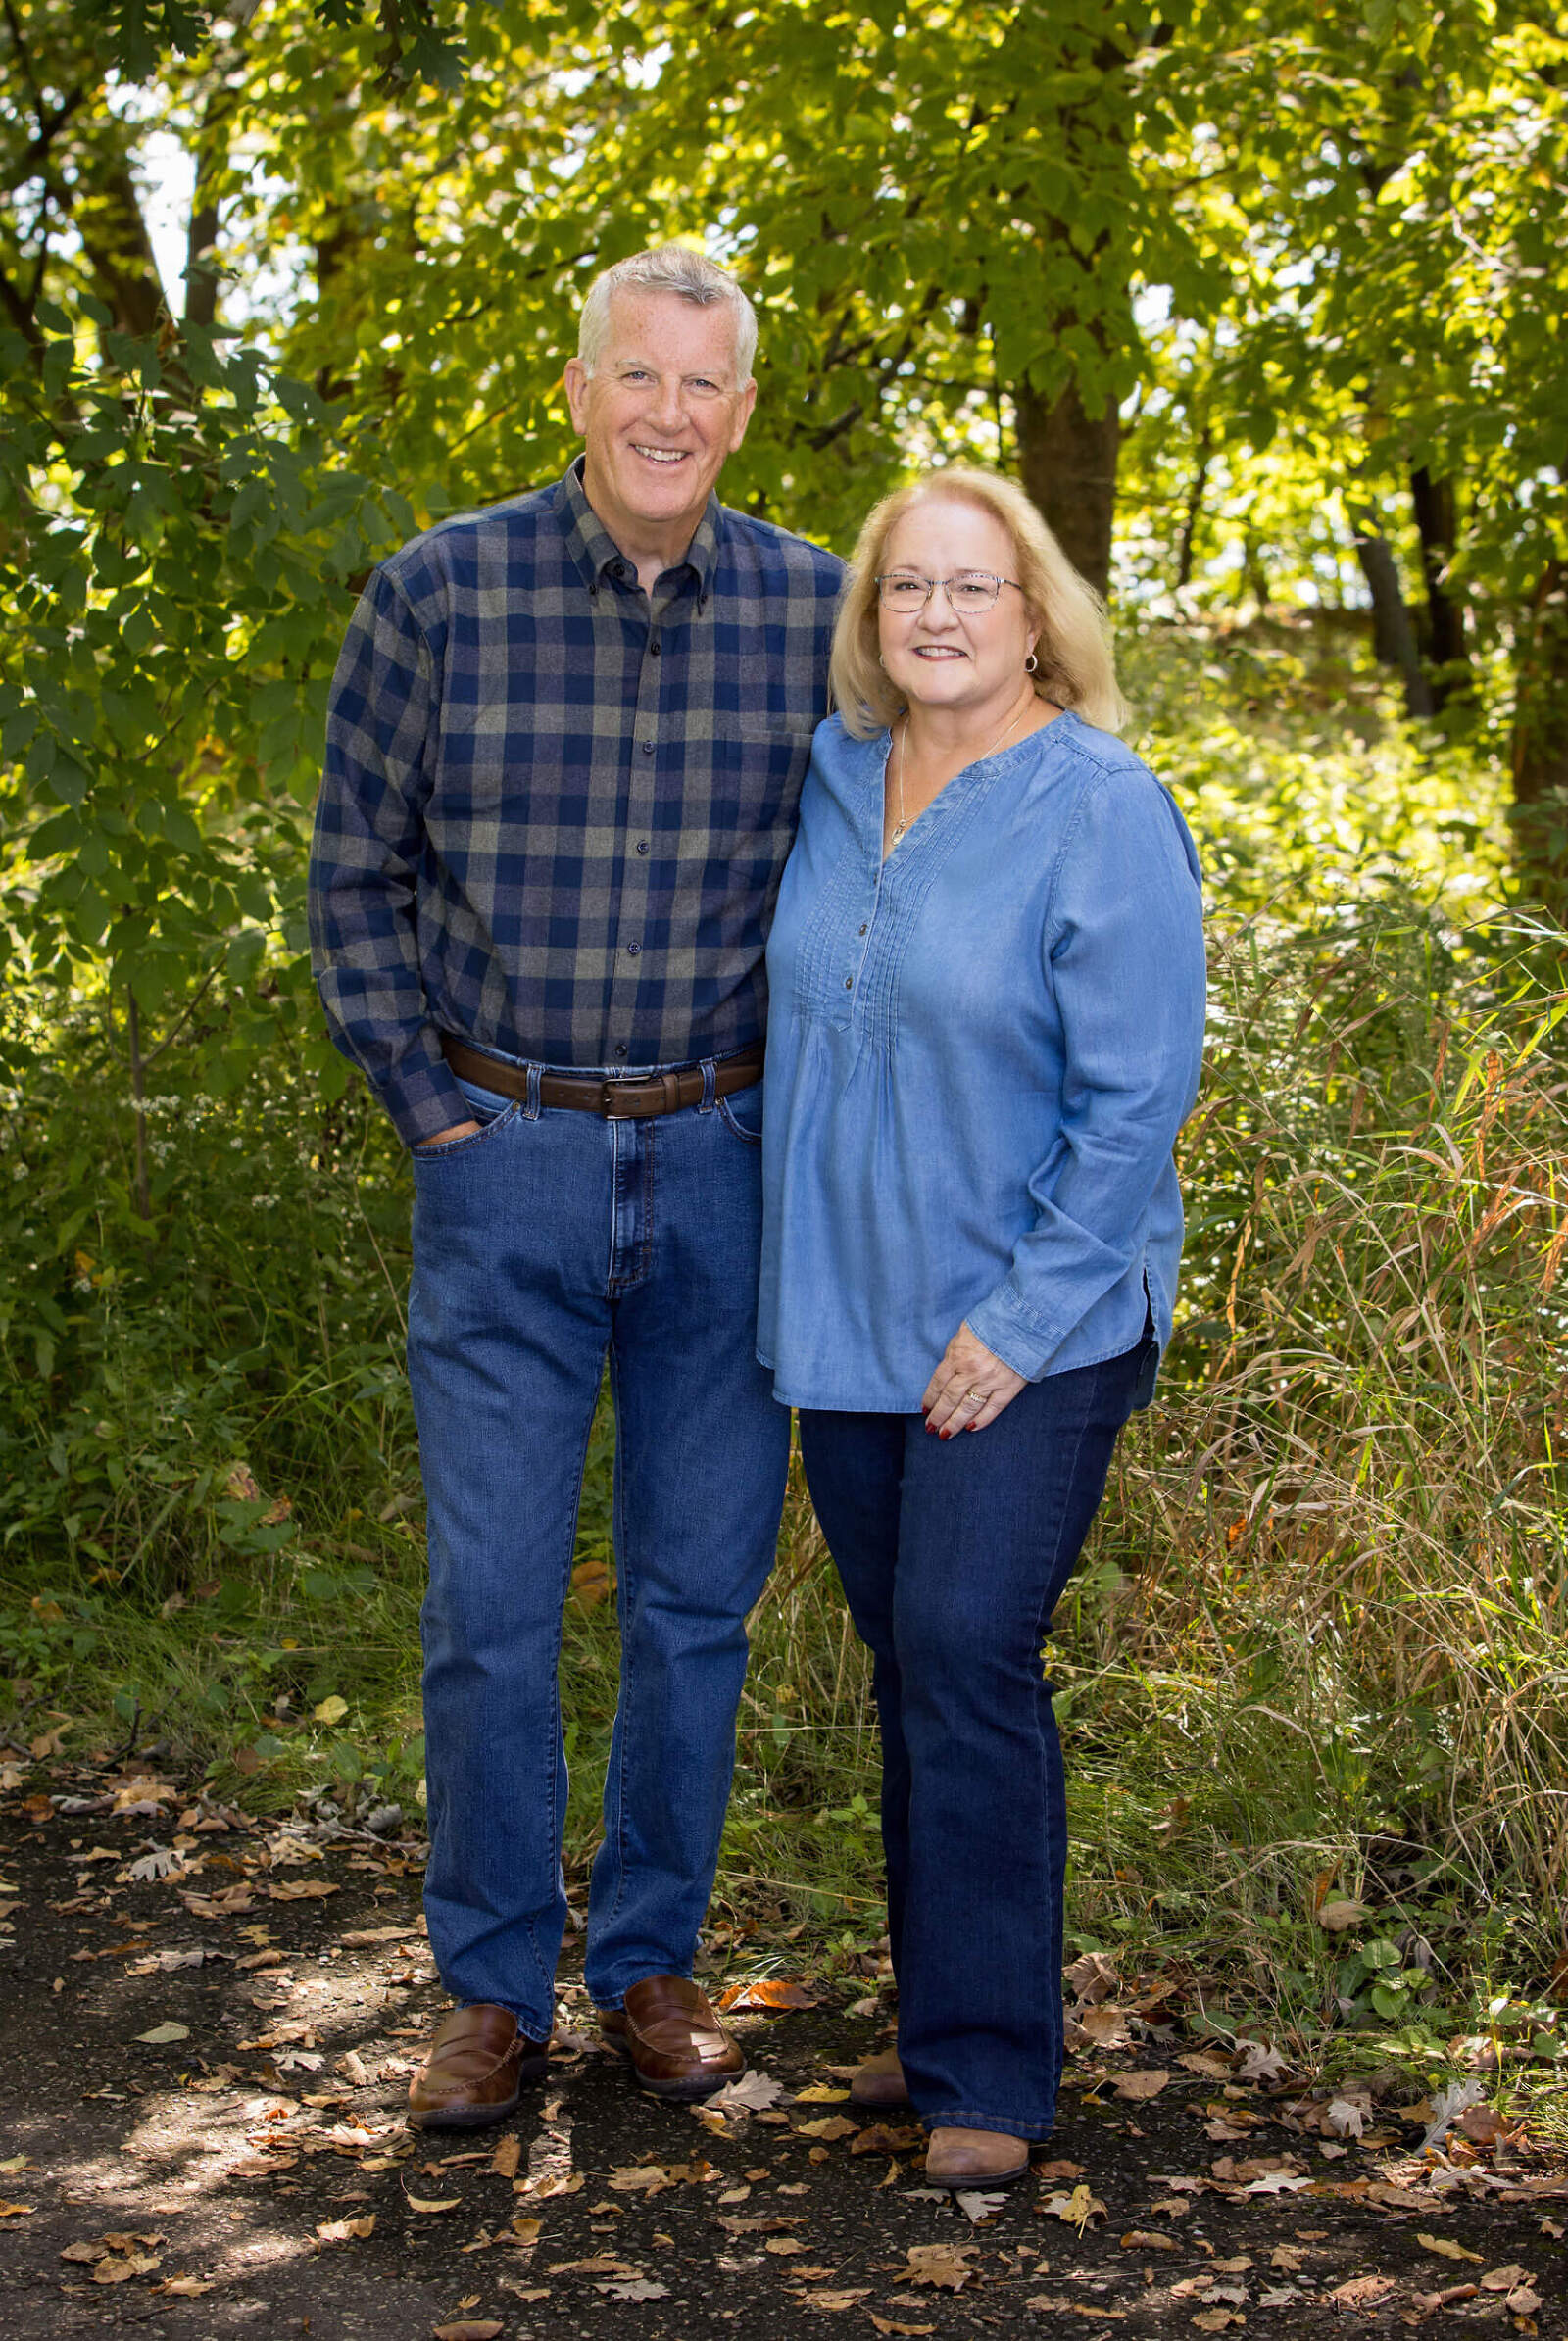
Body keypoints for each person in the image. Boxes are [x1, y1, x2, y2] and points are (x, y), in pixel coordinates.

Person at [310, 245, 843, 2127]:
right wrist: (426, 1104)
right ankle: (487, 1988)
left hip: (725, 1166)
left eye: (703, 384)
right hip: (506, 1157)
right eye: (638, 375)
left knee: (696, 1600)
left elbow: (908, 859)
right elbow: (351, 871)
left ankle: (649, 1964)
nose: (666, 414)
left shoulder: (823, 613)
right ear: (579, 389)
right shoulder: (440, 591)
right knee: (490, 1604)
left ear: (743, 410)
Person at [758, 466, 1205, 2188]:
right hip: (853, 1309)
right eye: (907, 587)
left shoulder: (1102, 805)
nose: (936, 614)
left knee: (964, 1646)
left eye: (973, 586)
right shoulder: (832, 774)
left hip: (1037, 1320)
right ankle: (948, 2009)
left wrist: (1016, 1322)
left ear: (1036, 618)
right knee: (913, 1661)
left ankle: (995, 2074)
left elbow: (1136, 1099)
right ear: (872, 617)